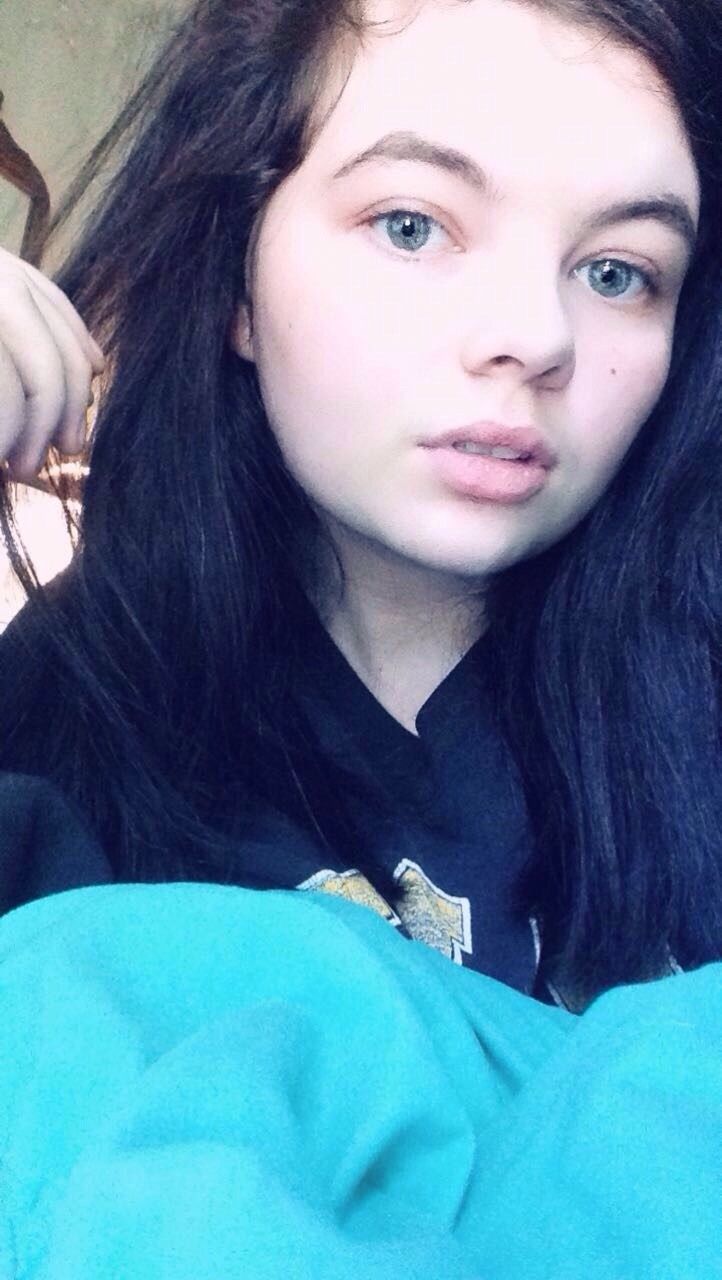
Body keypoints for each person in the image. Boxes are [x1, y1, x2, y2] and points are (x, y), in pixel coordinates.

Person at [0, 0, 720, 1013]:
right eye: (411, 226)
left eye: (617, 272)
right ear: (237, 282)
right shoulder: (68, 709)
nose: (535, 335)